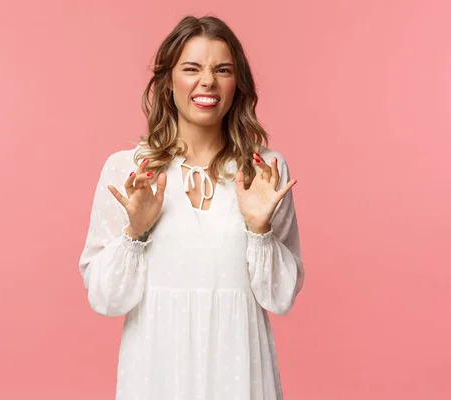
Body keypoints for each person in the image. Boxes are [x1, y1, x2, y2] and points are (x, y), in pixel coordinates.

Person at [78, 15, 304, 400]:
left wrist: (258, 230)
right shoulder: (129, 170)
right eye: (192, 68)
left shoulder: (263, 171)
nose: (208, 82)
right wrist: (136, 232)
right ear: (169, 82)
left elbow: (280, 298)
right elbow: (106, 298)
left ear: (238, 84)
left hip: (240, 370)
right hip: (156, 370)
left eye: (222, 69)